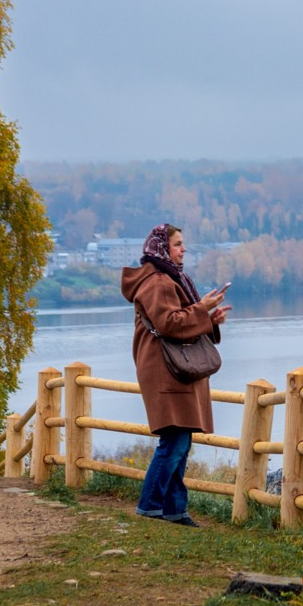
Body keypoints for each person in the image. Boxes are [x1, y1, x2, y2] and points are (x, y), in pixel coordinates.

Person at [119, 224, 231, 524]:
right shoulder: (157, 282)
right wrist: (202, 309)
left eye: (183, 244)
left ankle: (174, 509)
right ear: (161, 247)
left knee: (181, 439)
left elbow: (181, 320)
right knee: (175, 440)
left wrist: (208, 318)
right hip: (165, 368)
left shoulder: (169, 278)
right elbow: (169, 323)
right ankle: (150, 506)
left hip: (172, 367)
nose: (183, 250)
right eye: (178, 244)